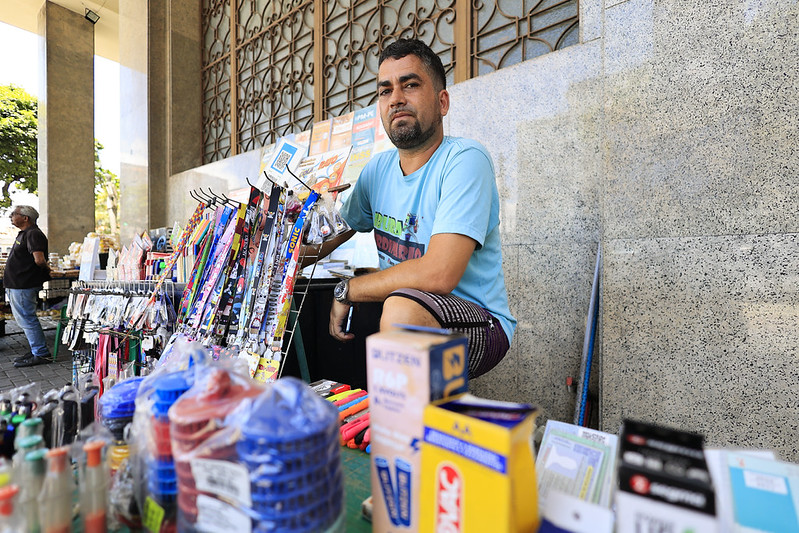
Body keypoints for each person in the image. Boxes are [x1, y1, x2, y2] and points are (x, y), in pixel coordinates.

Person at [318, 38, 516, 378]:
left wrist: (347, 289)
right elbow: (325, 238)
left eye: (410, 85)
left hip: (482, 323)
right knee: (371, 313)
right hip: (409, 308)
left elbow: (439, 274)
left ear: (442, 102)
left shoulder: (465, 160)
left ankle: (400, 426)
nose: (396, 99)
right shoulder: (377, 171)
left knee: (399, 307)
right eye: (385, 91)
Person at [4, 205, 53, 367]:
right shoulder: (26, 233)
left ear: (26, 218)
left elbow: (39, 259)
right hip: (18, 284)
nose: (11, 216)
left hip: (23, 285)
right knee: (24, 319)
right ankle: (36, 349)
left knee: (27, 318)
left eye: (15, 214)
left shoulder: (33, 234)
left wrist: (47, 269)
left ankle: (41, 353)